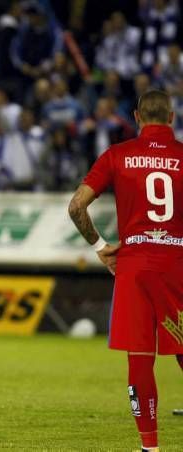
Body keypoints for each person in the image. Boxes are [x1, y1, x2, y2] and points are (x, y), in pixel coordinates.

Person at [68, 89, 183, 451]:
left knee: (139, 358)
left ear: (136, 117)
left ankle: (150, 446)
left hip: (133, 266)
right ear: (171, 118)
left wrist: (102, 248)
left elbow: (76, 207)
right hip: (177, 263)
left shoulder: (118, 155)